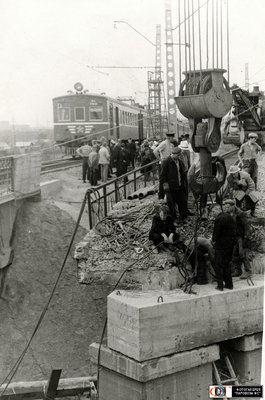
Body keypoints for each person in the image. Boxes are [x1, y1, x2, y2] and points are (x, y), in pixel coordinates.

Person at [223, 199, 252, 279]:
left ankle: (248, 271)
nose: (227, 209)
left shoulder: (240, 214)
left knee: (242, 253)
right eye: (226, 207)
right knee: (234, 254)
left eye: (228, 207)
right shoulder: (228, 214)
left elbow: (247, 225)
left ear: (233, 206)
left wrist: (246, 237)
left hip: (241, 236)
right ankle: (237, 271)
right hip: (233, 237)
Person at [160, 146, 190, 222]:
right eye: (178, 155)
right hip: (171, 187)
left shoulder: (179, 162)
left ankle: (183, 217)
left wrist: (184, 183)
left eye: (179, 155)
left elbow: (182, 173)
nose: (179, 157)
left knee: (182, 202)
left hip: (179, 186)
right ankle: (174, 219)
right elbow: (162, 176)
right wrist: (165, 186)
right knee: (172, 204)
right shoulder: (166, 162)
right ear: (173, 154)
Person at [212, 204, 237, 291]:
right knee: (227, 265)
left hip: (220, 246)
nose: (212, 214)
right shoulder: (229, 217)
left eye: (213, 211)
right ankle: (229, 284)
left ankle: (220, 286)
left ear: (216, 209)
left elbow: (216, 234)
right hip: (230, 246)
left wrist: (213, 240)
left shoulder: (219, 219)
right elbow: (234, 230)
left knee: (218, 266)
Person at [153, 132, 175, 199]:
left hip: (170, 164)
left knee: (169, 179)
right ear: (169, 137)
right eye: (172, 137)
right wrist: (160, 159)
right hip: (163, 164)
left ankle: (169, 196)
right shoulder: (163, 143)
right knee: (162, 180)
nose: (173, 139)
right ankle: (161, 197)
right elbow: (155, 151)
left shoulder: (171, 145)